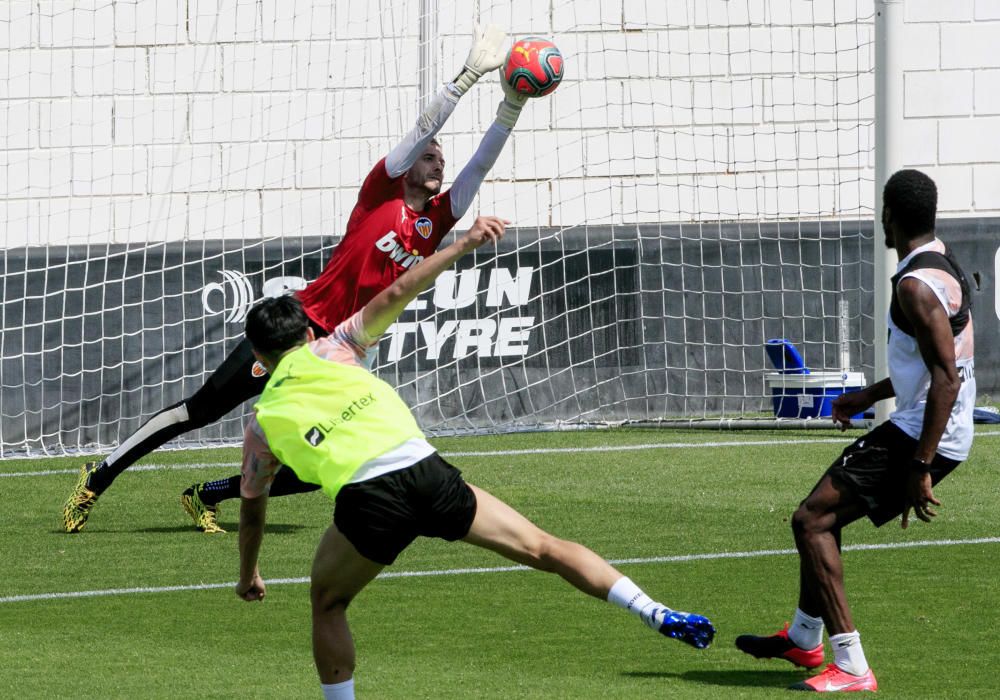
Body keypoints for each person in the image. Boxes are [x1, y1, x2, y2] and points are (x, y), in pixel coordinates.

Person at [63, 21, 531, 534]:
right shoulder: (382, 191)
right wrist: (464, 80)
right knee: (200, 411)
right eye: (430, 155)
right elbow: (419, 131)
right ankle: (99, 476)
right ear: (407, 167)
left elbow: (481, 164)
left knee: (328, 461)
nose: (438, 158)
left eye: (442, 157)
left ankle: (207, 494)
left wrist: (512, 104)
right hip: (297, 326)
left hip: (341, 349)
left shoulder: (436, 219)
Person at [235, 216, 715, 699]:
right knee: (542, 547)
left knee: (328, 602)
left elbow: (253, 510)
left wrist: (248, 574)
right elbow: (401, 288)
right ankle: (650, 607)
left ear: (260, 355)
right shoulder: (339, 345)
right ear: (305, 333)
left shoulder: (262, 422)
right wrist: (464, 242)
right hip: (426, 471)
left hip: (369, 499)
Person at [735, 169, 975, 693]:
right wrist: (869, 395)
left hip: (925, 434)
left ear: (889, 215)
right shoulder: (940, 262)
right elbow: (932, 365)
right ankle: (803, 637)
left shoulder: (915, 286)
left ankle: (851, 664)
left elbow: (946, 379)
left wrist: (920, 467)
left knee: (812, 520)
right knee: (823, 515)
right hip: (930, 425)